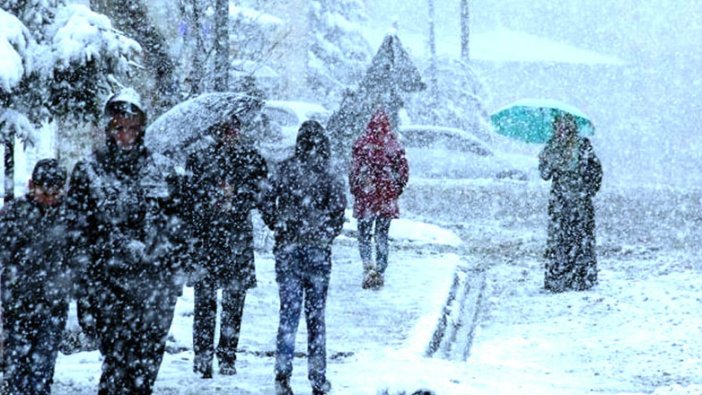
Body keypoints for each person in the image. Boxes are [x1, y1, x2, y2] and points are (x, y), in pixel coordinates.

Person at [66, 89, 183, 394]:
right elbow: (78, 234)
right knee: (116, 368)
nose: (126, 135)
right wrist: (85, 291)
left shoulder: (162, 168)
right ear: (109, 127)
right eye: (119, 127)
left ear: (142, 126)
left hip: (155, 287)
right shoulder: (90, 171)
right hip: (110, 286)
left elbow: (179, 225)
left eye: (133, 127)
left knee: (145, 369)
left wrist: (171, 266)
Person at [260, 120, 346, 395]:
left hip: (288, 250)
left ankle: (282, 374)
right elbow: (338, 211)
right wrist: (325, 232)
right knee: (316, 316)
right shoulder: (330, 173)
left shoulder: (285, 169)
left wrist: (279, 224)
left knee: (288, 314)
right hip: (318, 251)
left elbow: (265, 200)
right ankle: (317, 376)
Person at [182, 114, 268, 378]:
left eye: (233, 129)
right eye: (224, 130)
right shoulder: (199, 158)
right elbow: (189, 196)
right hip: (207, 238)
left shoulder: (251, 158)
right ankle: (203, 355)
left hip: (236, 238)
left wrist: (237, 198)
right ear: (216, 132)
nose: (229, 135)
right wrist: (211, 199)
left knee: (233, 301)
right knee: (205, 301)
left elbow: (260, 191)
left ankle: (227, 355)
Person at [1, 159, 70, 395]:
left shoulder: (69, 216)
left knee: (41, 372)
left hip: (52, 306)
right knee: (17, 374)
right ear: (32, 185)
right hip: (17, 306)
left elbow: (77, 259)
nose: (50, 199)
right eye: (45, 192)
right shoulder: (12, 215)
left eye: (56, 193)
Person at [539, 113, 603, 292]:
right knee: (560, 239)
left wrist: (587, 189)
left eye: (566, 126)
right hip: (560, 201)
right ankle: (559, 279)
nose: (562, 130)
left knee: (580, 238)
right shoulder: (551, 147)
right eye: (559, 126)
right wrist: (546, 161)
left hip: (580, 201)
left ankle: (581, 278)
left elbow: (595, 170)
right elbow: (544, 175)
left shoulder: (583, 145)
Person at [349, 109, 409, 289]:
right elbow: (403, 172)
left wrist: (357, 190)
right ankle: (380, 269)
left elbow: (354, 171)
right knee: (382, 234)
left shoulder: (361, 145)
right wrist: (396, 189)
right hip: (385, 199)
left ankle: (368, 265)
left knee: (364, 235)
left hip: (366, 199)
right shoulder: (394, 146)